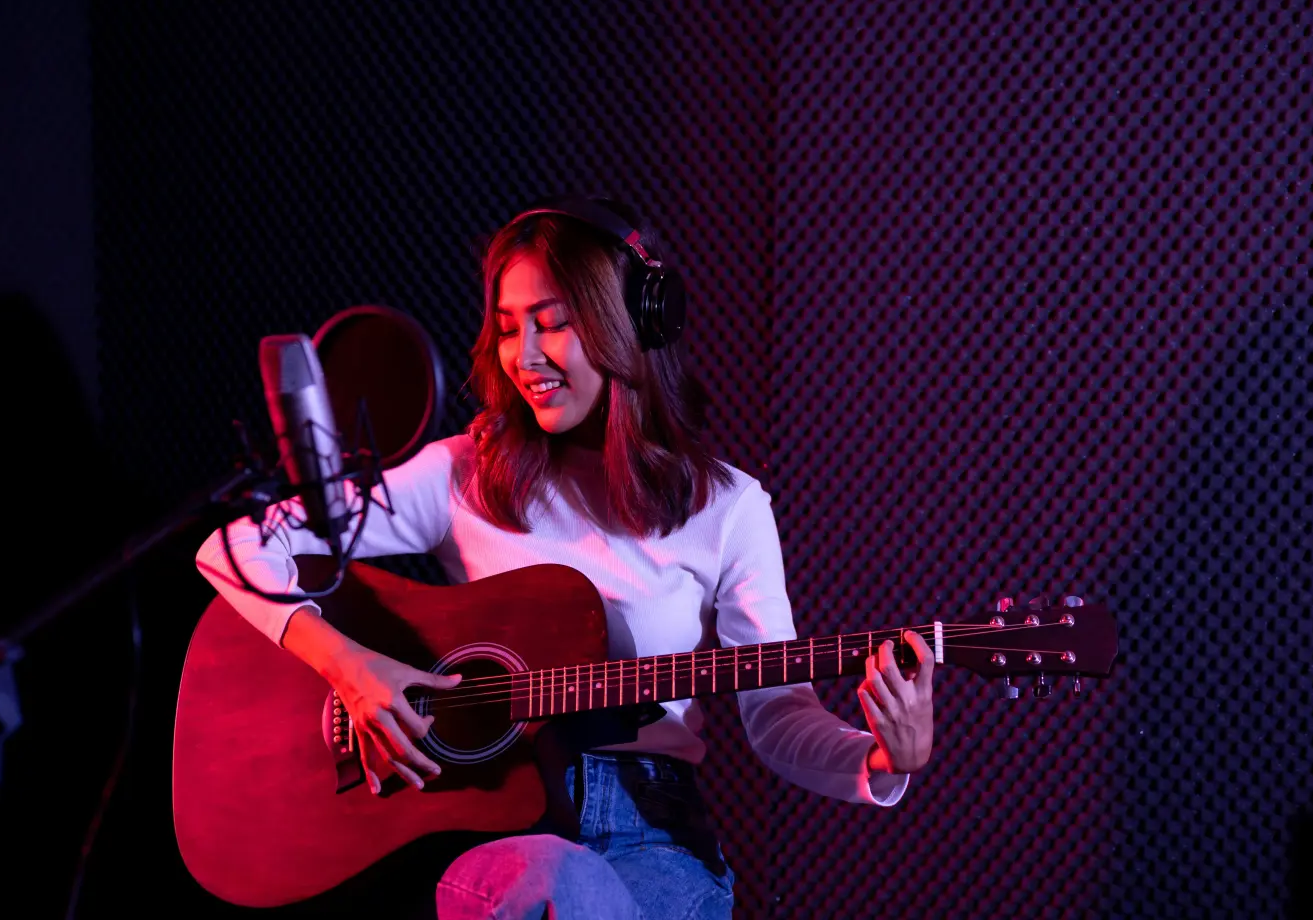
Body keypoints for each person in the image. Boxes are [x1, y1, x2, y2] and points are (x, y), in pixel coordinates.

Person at [194, 195, 937, 919]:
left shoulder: (728, 508)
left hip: (653, 843)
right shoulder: (463, 472)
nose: (525, 358)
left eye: (553, 325)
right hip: (496, 829)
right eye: (509, 327)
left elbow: (776, 716)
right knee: (540, 876)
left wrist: (881, 761)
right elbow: (234, 546)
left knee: (565, 886)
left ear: (629, 326)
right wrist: (353, 670)